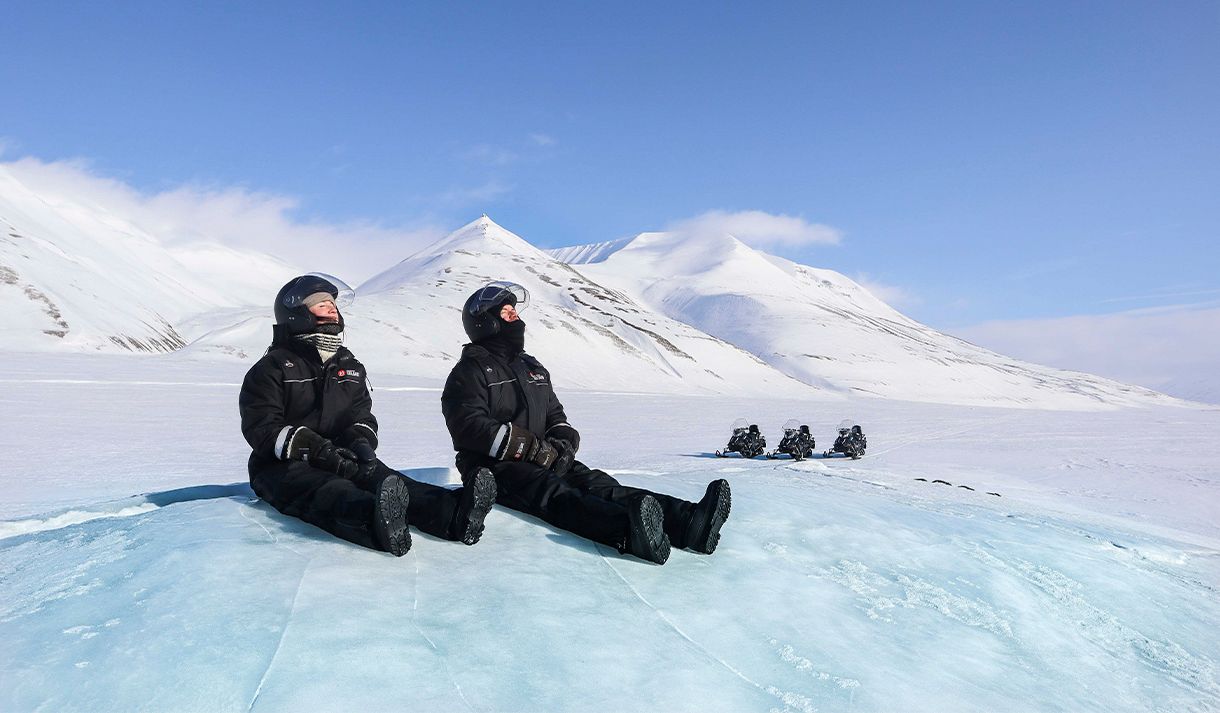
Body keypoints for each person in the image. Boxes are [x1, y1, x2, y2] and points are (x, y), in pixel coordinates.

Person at [440, 280, 732, 565]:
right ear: (485, 322)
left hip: (545, 458)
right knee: (558, 496)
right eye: (505, 312)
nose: (515, 316)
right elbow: (468, 426)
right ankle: (629, 532)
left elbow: (556, 416)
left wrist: (563, 444)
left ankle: (689, 522)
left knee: (602, 485)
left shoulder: (532, 367)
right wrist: (531, 450)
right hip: (495, 469)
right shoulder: (470, 371)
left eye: (515, 310)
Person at [239, 273, 497, 556]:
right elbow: (261, 427)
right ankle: (375, 524)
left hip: (343, 454)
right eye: (321, 304)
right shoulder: (272, 368)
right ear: (296, 312)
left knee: (389, 481)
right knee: (329, 490)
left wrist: (360, 443)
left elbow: (362, 415)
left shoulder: (349, 365)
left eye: (332, 303)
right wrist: (316, 450)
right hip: (280, 465)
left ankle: (453, 514)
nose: (332, 308)